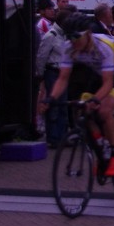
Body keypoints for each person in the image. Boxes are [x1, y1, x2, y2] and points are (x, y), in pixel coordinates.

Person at [40, 13, 114, 177]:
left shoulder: (103, 46)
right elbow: (62, 78)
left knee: (104, 110)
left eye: (76, 37)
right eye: (69, 37)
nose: (73, 41)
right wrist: (51, 98)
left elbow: (108, 83)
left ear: (88, 34)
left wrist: (96, 100)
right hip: (98, 75)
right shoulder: (69, 47)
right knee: (82, 110)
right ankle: (101, 145)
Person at [35, 8, 71, 147]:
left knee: (63, 105)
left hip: (62, 73)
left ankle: (62, 136)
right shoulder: (51, 35)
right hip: (52, 72)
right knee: (53, 105)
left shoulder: (64, 35)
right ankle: (53, 137)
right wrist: (40, 74)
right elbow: (41, 56)